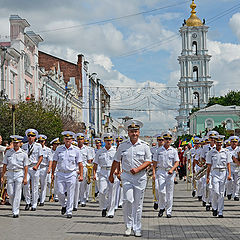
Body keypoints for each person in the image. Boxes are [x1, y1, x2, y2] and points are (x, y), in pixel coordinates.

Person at [109, 119, 151, 237]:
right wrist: (111, 175)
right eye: (132, 131)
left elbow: (148, 161)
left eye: (136, 131)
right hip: (126, 176)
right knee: (127, 201)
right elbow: (116, 161)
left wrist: (138, 169)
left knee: (138, 204)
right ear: (128, 132)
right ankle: (128, 226)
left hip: (140, 177)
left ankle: (137, 227)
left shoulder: (144, 146)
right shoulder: (123, 146)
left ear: (139, 132)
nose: (134, 133)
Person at [52, 131, 83, 218]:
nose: (67, 140)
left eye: (69, 139)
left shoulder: (76, 150)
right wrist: (52, 173)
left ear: (72, 140)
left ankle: (69, 211)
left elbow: (80, 164)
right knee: (60, 192)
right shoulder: (59, 149)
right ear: (64, 139)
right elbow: (54, 161)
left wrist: (81, 175)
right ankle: (64, 205)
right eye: (66, 139)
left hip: (71, 173)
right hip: (61, 173)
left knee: (70, 192)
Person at [152, 131, 179, 218]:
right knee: (161, 191)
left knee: (169, 193)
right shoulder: (158, 150)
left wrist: (172, 169)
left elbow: (177, 162)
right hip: (160, 171)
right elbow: (154, 163)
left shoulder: (174, 150)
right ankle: (162, 207)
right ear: (163, 140)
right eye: (166, 139)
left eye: (169, 139)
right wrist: (153, 173)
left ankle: (168, 211)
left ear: (171, 140)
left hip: (170, 172)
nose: (168, 140)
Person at [1, 135, 28, 218]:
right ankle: (14, 206)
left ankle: (16, 211)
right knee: (10, 192)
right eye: (14, 143)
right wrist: (2, 176)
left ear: (20, 143)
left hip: (19, 173)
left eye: (17, 143)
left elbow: (26, 166)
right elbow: (5, 164)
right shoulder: (8, 153)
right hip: (10, 173)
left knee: (17, 192)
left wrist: (25, 177)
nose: (16, 144)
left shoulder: (23, 153)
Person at [206, 135, 231, 217]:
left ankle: (220, 211)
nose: (219, 144)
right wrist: (207, 177)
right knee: (215, 191)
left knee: (221, 193)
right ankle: (214, 207)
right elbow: (209, 166)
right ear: (215, 143)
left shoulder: (226, 152)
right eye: (217, 143)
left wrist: (229, 174)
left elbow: (228, 164)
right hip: (215, 172)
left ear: (222, 143)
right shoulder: (211, 152)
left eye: (220, 143)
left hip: (223, 172)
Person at [93, 133, 117, 218]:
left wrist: (119, 171)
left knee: (112, 192)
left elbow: (118, 162)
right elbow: (95, 163)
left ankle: (111, 211)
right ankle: (103, 207)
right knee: (102, 191)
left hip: (113, 171)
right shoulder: (100, 151)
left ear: (112, 141)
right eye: (107, 140)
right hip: (103, 171)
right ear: (104, 141)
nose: (108, 142)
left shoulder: (115, 151)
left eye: (110, 140)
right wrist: (94, 173)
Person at [22, 129, 43, 211]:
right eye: (29, 136)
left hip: (34, 167)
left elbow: (41, 157)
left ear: (35, 137)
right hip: (26, 167)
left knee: (35, 186)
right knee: (26, 185)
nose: (30, 137)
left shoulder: (38, 146)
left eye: (32, 136)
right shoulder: (24, 146)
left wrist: (37, 166)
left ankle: (34, 204)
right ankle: (27, 202)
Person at [73, 133, 94, 210]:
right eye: (78, 139)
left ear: (83, 140)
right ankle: (76, 199)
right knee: (75, 185)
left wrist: (89, 172)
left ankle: (82, 200)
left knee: (83, 185)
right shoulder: (74, 148)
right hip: (75, 168)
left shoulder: (87, 149)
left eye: (81, 139)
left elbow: (89, 161)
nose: (80, 141)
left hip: (84, 168)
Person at [38, 135, 53, 206]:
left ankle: (42, 200)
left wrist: (49, 168)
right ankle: (37, 197)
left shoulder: (48, 150)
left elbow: (50, 160)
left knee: (43, 185)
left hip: (44, 168)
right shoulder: (35, 148)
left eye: (42, 141)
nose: (41, 143)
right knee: (36, 185)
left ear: (44, 142)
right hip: (36, 168)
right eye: (39, 141)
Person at [151, 134, 164, 210]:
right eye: (159, 140)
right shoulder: (153, 149)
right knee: (155, 187)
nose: (161, 141)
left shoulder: (164, 149)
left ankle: (162, 202)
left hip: (161, 169)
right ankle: (156, 201)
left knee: (162, 189)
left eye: (162, 140)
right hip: (154, 169)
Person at [226, 136, 240, 201]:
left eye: (235, 142)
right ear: (230, 142)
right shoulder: (227, 149)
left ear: (237, 143)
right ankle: (229, 193)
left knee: (237, 182)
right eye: (232, 142)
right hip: (230, 167)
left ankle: (236, 195)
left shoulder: (239, 149)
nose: (234, 143)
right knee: (230, 181)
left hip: (237, 167)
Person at [50, 138, 61, 202]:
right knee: (49, 182)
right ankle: (51, 193)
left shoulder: (60, 151)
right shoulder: (50, 151)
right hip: (49, 168)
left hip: (57, 168)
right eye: (55, 144)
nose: (56, 145)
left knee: (57, 182)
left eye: (58, 144)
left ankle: (56, 195)